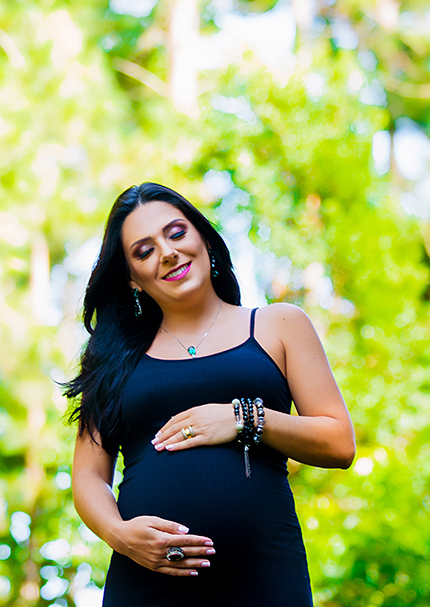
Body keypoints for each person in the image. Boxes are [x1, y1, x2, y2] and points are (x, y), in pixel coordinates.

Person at [65, 183, 355, 606]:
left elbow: (339, 442)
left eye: (176, 233)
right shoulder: (112, 359)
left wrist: (243, 418)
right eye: (144, 251)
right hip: (147, 584)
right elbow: (89, 476)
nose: (167, 252)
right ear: (131, 279)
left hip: (264, 577)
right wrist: (120, 534)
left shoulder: (279, 325)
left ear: (203, 237)